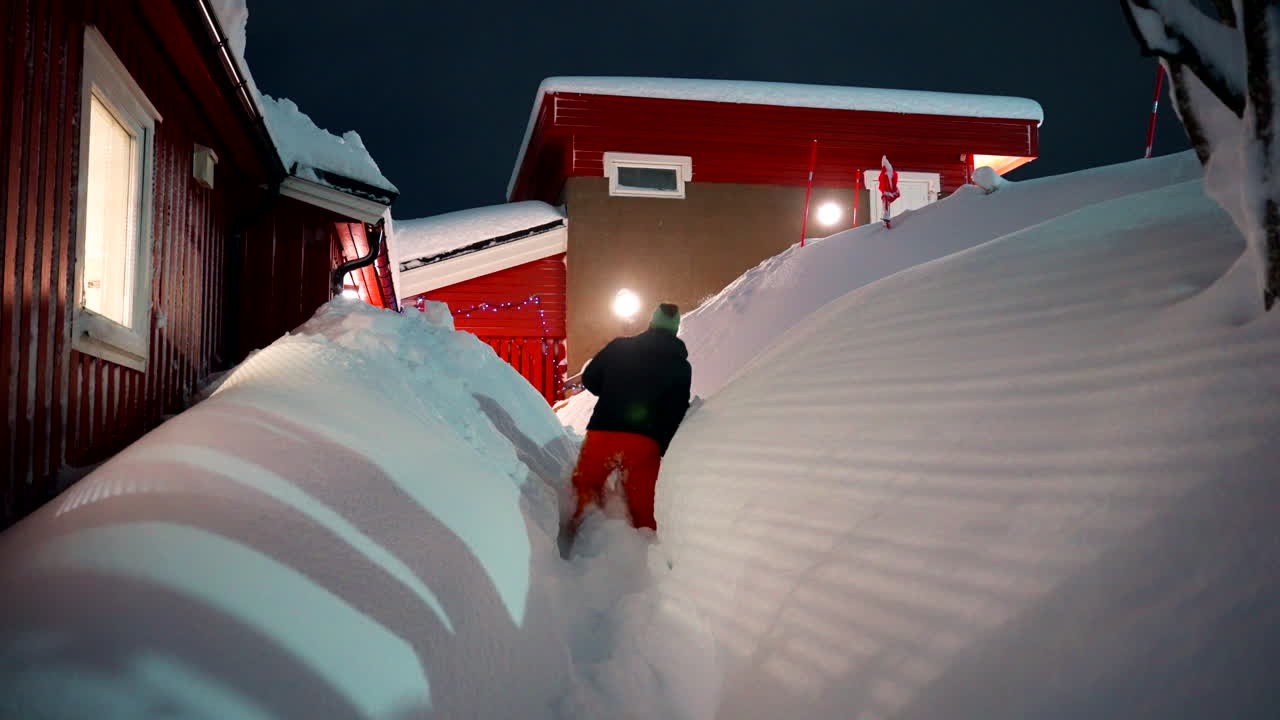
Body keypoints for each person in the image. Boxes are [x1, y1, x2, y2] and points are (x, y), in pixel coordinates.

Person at [569, 302, 692, 533]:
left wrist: (612, 394)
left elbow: (590, 378)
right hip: (645, 443)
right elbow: (676, 410)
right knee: (644, 510)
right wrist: (663, 446)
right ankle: (644, 547)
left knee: (585, 489)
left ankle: (578, 537)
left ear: (651, 323)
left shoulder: (620, 347)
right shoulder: (680, 366)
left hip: (603, 433)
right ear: (675, 330)